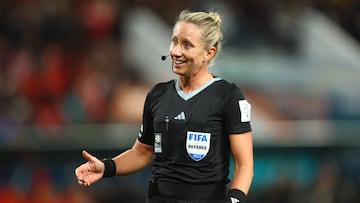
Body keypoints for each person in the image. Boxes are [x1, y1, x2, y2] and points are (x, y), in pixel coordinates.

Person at [75, 9, 254, 203]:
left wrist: (234, 200)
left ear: (208, 53)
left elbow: (244, 165)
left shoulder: (228, 96)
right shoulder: (158, 95)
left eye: (187, 45)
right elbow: (142, 152)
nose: (176, 51)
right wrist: (107, 167)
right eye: (175, 41)